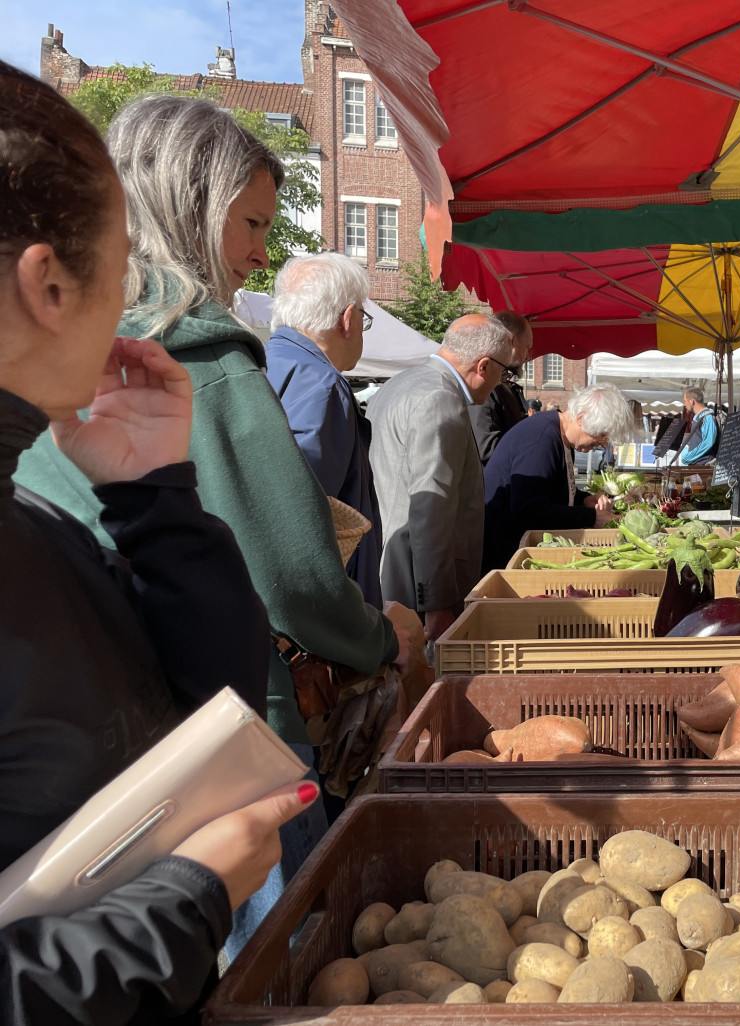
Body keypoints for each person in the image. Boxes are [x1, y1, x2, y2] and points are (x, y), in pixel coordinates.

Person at [14, 94, 411, 956]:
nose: (264, 253)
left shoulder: (78, 356)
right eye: (253, 222)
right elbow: (293, 577)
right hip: (227, 745)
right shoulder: (203, 353)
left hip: (102, 764)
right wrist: (380, 641)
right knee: (279, 966)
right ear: (191, 206)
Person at [0, 60, 318, 1025]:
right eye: (123, 255)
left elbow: (192, 702)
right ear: (49, 283)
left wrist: (155, 495)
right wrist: (183, 903)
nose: (139, 292)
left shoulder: (31, 513)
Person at [368, 313, 514, 641]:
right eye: (504, 371)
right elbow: (430, 505)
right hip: (414, 587)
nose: (500, 382)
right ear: (484, 366)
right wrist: (436, 604)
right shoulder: (441, 398)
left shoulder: (399, 384)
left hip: (390, 567)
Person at [265, 252, 383, 606]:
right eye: (365, 317)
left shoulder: (264, 362)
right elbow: (308, 525)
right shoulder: (322, 384)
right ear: (347, 320)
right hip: (328, 614)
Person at [482, 383, 636, 573]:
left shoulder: (561, 437)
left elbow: (550, 489)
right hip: (503, 553)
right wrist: (591, 517)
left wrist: (584, 499)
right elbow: (529, 511)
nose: (603, 445)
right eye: (602, 436)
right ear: (581, 418)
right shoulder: (542, 441)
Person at [470, 310, 533, 463]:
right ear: (512, 341)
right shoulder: (488, 381)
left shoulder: (506, 385)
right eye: (526, 347)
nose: (527, 355)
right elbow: (486, 448)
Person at [679, 386, 718, 465]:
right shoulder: (698, 417)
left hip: (704, 465)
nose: (685, 404)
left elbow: (708, 442)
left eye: (685, 401)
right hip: (696, 464)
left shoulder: (707, 417)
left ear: (692, 401)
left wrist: (688, 457)